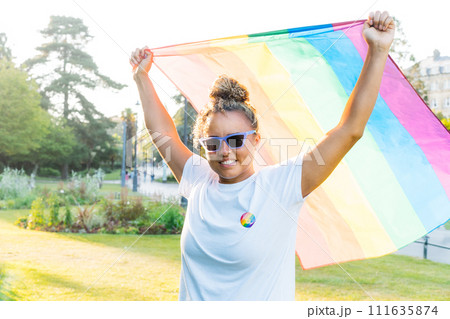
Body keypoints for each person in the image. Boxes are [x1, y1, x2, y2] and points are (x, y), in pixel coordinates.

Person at [130, 11, 395, 301]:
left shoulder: (282, 184)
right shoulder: (197, 178)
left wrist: (378, 51)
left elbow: (349, 130)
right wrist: (142, 77)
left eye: (235, 140)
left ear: (256, 140)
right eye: (213, 143)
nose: (225, 152)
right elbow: (161, 131)